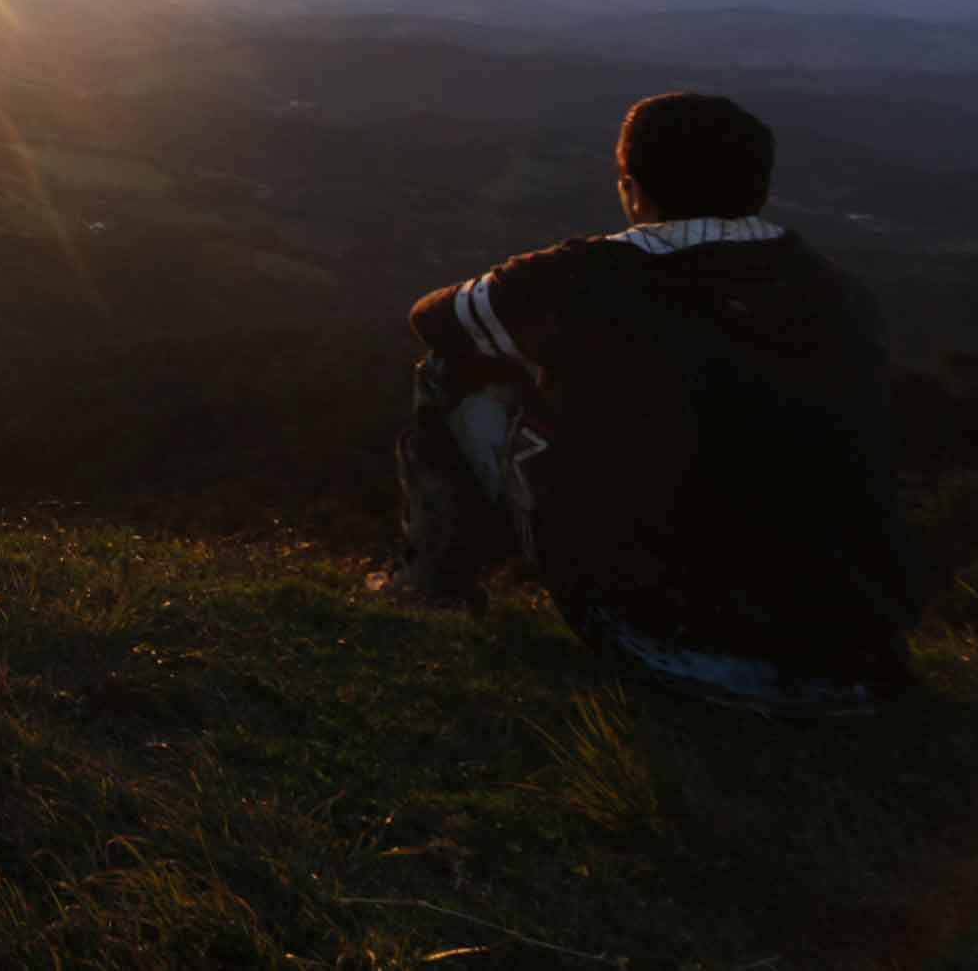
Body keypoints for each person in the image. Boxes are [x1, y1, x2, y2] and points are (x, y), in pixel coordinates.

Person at [373, 90, 923, 713]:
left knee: (454, 367)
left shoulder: (587, 277)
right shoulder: (841, 293)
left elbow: (436, 318)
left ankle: (432, 590)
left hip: (673, 644)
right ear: (761, 186)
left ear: (632, 188)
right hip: (865, 660)